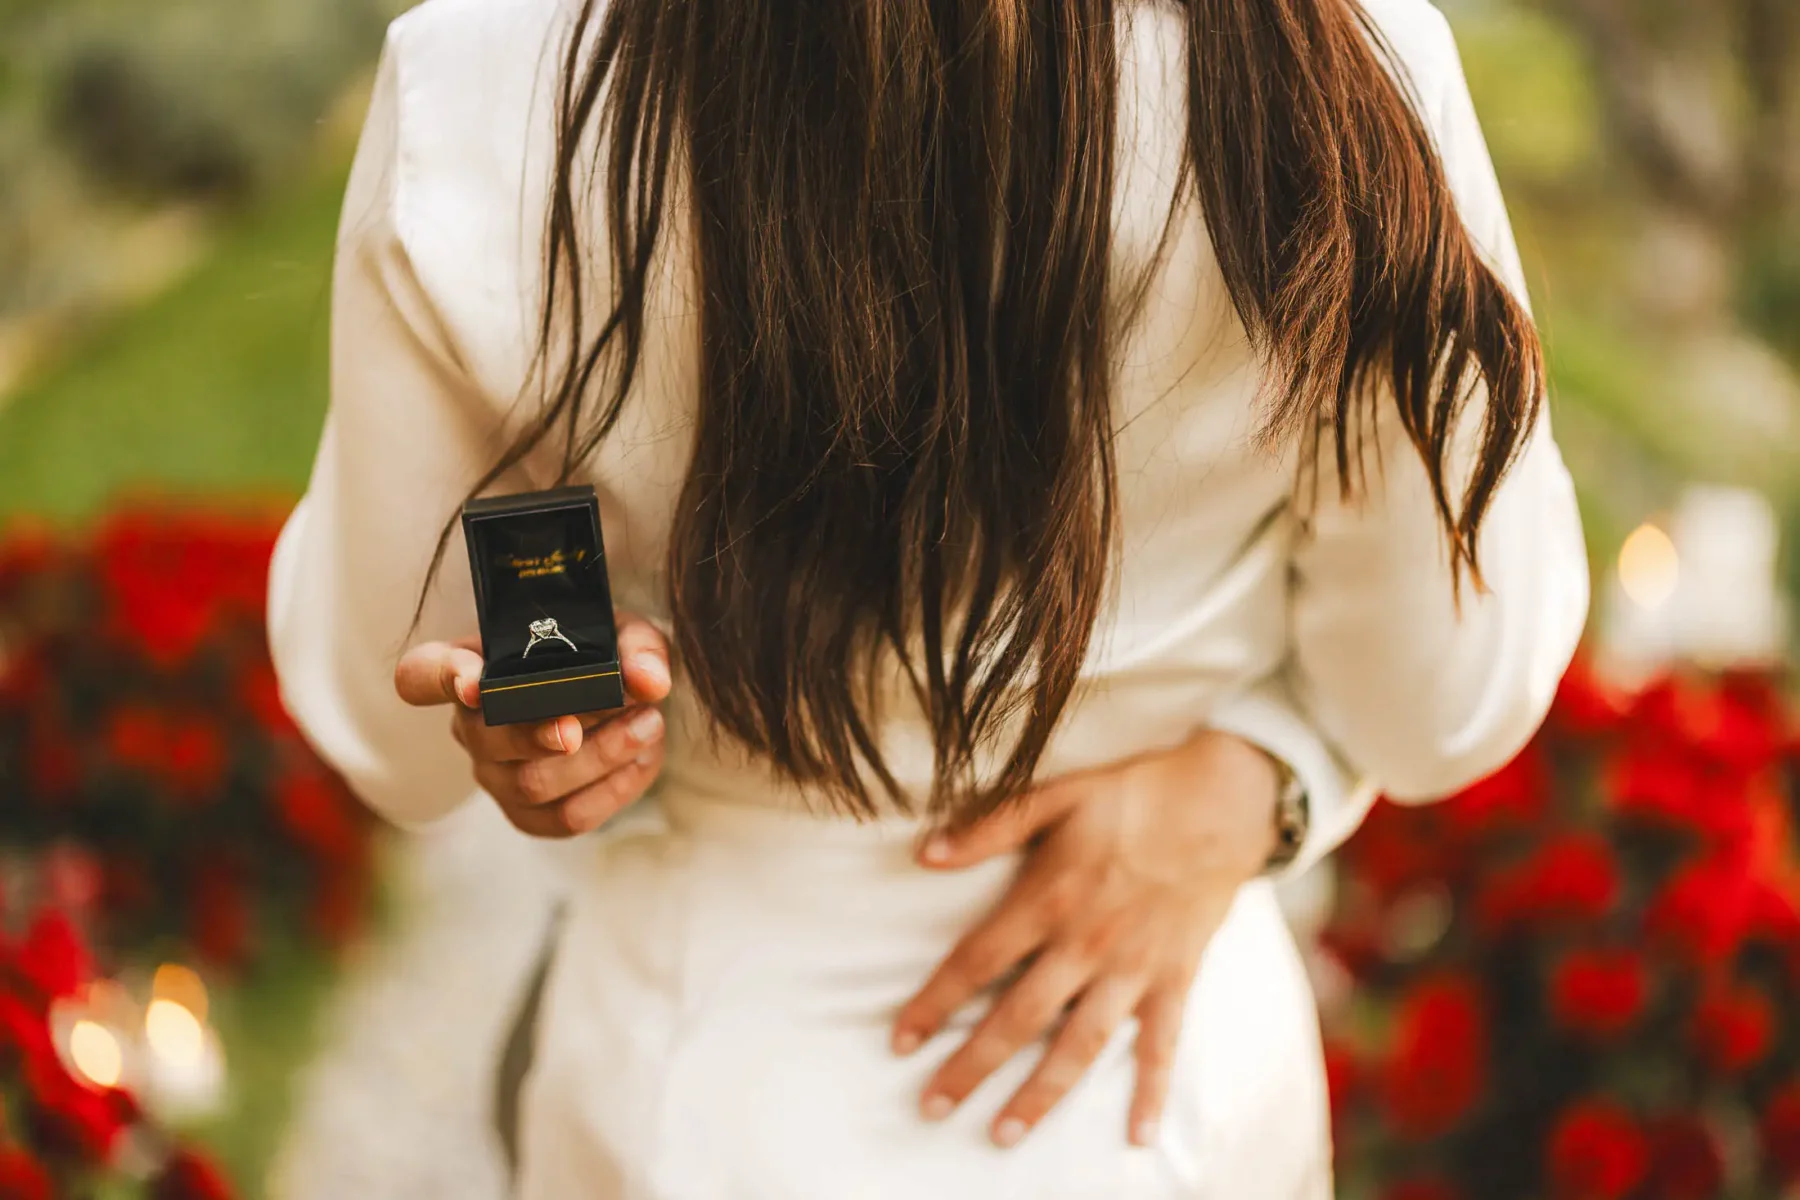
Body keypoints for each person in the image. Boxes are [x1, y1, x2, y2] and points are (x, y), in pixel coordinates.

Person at [266, 0, 1589, 1193]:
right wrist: (1269, 769)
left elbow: (396, 728)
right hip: (1156, 1106)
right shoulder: (1345, 63)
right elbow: (1443, 703)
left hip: (691, 1098)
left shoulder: (484, 83)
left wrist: (546, 712)